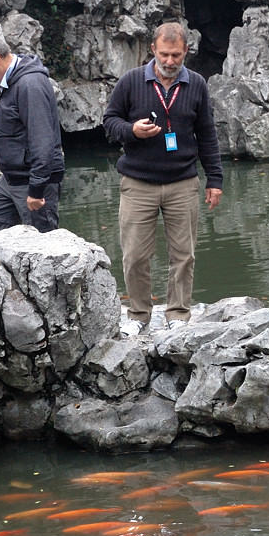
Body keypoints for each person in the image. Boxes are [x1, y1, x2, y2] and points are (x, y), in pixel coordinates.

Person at [103, 22, 224, 337]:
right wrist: (132, 131)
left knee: (183, 254)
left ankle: (178, 314)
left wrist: (215, 179)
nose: (170, 61)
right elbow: (109, 121)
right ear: (152, 50)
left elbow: (207, 134)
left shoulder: (196, 84)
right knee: (134, 255)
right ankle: (139, 314)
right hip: (137, 182)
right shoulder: (131, 82)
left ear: (186, 51)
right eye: (164, 54)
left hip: (183, 182)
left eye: (176, 55)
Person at [0, 31, 64, 233]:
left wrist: (36, 191)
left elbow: (43, 140)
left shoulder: (30, 84)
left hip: (33, 181)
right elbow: (21, 120)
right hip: (12, 178)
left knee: (43, 245)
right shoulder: (12, 79)